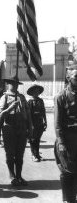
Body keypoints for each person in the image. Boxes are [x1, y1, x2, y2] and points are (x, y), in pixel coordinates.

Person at [0, 76, 33, 186]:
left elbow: (28, 113)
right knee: (10, 153)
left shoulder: (22, 97)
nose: (15, 85)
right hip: (9, 128)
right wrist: (10, 108)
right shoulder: (5, 97)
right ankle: (12, 176)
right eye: (12, 83)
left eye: (16, 83)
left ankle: (19, 176)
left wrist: (30, 127)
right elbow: (0, 116)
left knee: (20, 154)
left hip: (21, 127)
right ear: (8, 84)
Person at [54, 64, 77, 203]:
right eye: (76, 77)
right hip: (67, 140)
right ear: (69, 78)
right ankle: (68, 200)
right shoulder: (61, 96)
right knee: (67, 171)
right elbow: (57, 123)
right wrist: (61, 142)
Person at [27, 84, 47, 162]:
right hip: (33, 123)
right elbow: (29, 115)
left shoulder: (41, 101)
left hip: (40, 123)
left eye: (37, 91)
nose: (36, 93)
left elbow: (43, 111)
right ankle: (33, 155)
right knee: (32, 139)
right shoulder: (30, 102)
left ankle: (37, 154)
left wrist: (45, 121)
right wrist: (30, 125)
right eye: (34, 91)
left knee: (38, 139)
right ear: (32, 93)